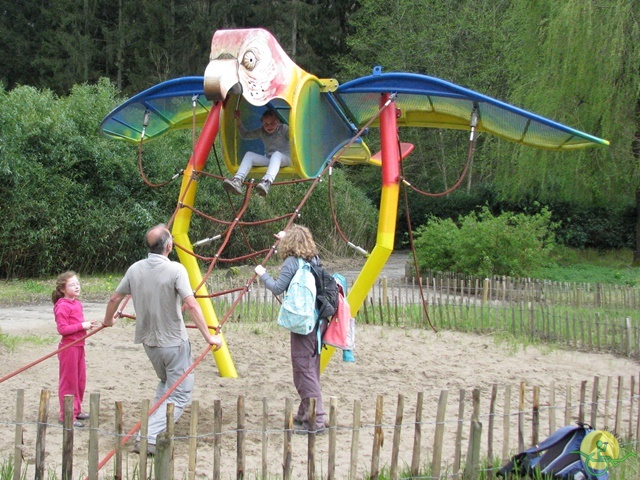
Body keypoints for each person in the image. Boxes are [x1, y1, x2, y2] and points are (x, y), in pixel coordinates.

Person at [102, 224, 222, 455]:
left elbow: (114, 298)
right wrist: (209, 336)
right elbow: (194, 304)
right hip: (173, 343)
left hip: (150, 343)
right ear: (169, 246)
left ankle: (150, 428)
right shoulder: (176, 270)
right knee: (181, 391)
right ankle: (148, 438)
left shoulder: (135, 269)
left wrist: (108, 321)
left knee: (166, 384)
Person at [254, 225, 326, 434]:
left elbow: (278, 287)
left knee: (303, 371)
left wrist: (263, 274)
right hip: (317, 320)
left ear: (289, 244)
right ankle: (305, 413)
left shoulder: (291, 262)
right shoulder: (314, 259)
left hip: (302, 323)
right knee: (310, 368)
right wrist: (288, 236)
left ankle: (316, 420)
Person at [52, 271, 99, 428]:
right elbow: (63, 329)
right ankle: (66, 415)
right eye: (72, 284)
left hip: (79, 346)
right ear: (63, 289)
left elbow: (77, 324)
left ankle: (76, 410)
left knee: (80, 380)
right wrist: (82, 326)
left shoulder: (77, 303)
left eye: (77, 283)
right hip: (69, 348)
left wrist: (86, 324)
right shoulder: (62, 306)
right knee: (69, 382)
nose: (77, 286)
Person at [223, 109, 290, 197]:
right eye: (266, 124)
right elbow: (245, 135)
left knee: (276, 155)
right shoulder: (262, 131)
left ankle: (266, 182)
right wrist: (238, 120)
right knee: (249, 155)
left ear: (277, 122)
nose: (269, 126)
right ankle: (237, 181)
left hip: (286, 158)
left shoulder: (284, 128)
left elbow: (296, 138)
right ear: (262, 123)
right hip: (271, 160)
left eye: (272, 123)